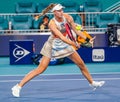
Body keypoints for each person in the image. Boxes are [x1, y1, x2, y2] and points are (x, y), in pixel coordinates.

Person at [11, 3, 105, 97]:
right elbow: (61, 37)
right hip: (52, 45)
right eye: (59, 10)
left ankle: (92, 83)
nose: (61, 12)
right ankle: (18, 86)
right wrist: (74, 44)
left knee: (81, 64)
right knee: (40, 69)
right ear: (54, 12)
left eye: (62, 10)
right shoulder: (52, 24)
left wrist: (88, 39)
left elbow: (76, 31)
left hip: (65, 44)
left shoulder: (68, 17)